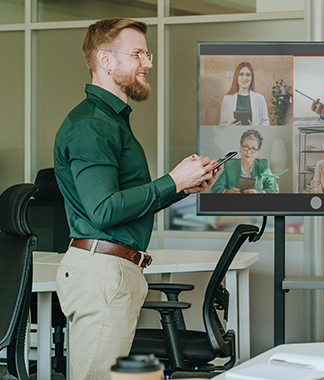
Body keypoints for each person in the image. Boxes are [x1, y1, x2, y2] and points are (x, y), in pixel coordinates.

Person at [53, 18, 218, 380]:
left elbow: (123, 205)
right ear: (106, 61)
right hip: (102, 273)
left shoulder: (112, 122)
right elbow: (104, 209)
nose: (149, 63)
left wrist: (181, 187)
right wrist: (172, 180)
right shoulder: (92, 125)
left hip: (113, 271)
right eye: (138, 54)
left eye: (148, 53)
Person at [211, 129, 279, 194]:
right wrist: (228, 192)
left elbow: (274, 188)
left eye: (253, 149)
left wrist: (258, 192)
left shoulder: (263, 166)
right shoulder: (230, 165)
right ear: (240, 148)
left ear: (257, 153)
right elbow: (216, 187)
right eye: (245, 147)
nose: (248, 152)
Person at [219, 61, 271, 126]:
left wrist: (255, 127)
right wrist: (230, 127)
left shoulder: (260, 98)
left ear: (252, 78)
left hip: (252, 135)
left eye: (248, 75)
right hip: (233, 135)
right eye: (241, 74)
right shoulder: (227, 99)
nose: (245, 78)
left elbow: (266, 123)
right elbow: (222, 124)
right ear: (236, 77)